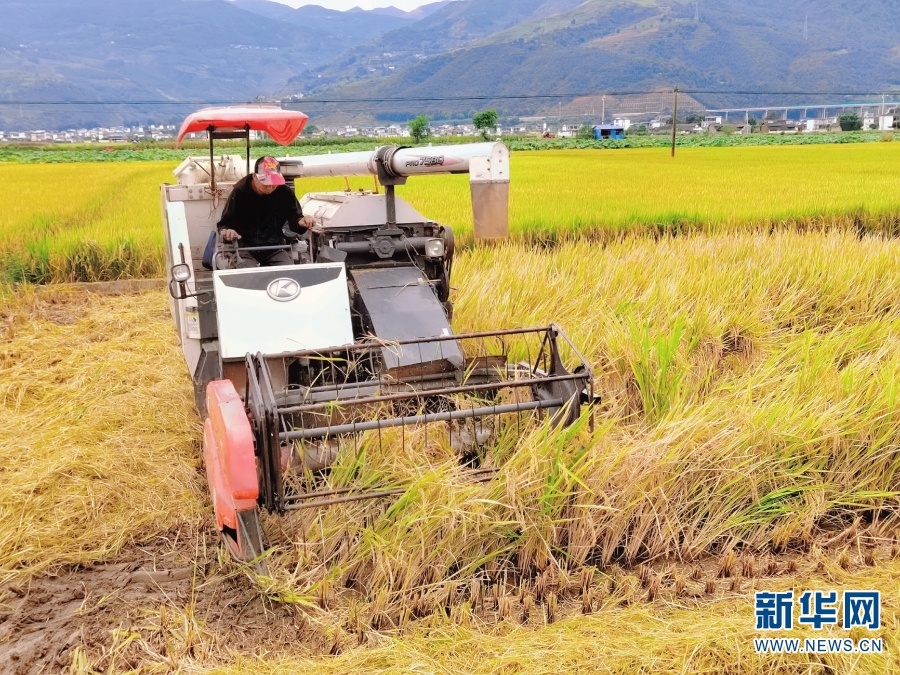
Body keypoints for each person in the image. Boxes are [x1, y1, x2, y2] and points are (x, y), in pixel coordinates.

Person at [217, 156, 316, 267]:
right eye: (265, 182)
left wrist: (301, 222)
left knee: (287, 271)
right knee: (248, 274)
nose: (270, 186)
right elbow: (224, 224)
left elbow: (295, 221)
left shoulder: (285, 192)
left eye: (274, 182)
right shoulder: (239, 193)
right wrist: (227, 231)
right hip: (245, 248)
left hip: (275, 247)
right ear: (255, 177)